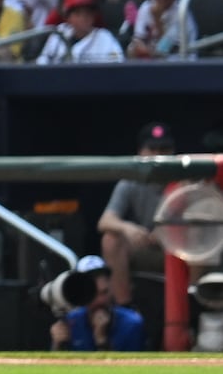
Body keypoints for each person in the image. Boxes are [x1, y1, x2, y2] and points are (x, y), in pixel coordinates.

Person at [98, 123, 175, 307]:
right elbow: (104, 221)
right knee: (111, 239)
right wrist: (128, 228)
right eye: (152, 149)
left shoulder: (184, 180)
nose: (158, 154)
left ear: (173, 152)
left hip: (176, 250)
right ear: (141, 152)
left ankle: (194, 306)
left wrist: (169, 231)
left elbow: (201, 224)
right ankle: (124, 310)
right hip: (144, 248)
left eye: (164, 149)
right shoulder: (131, 181)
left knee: (197, 239)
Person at [50, 254, 146, 352]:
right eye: (93, 294)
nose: (100, 300)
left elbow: (132, 365)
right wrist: (57, 345)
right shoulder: (71, 322)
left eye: (104, 292)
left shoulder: (131, 323)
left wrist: (101, 340)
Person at [36, 0, 123, 63]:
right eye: (78, 14)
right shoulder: (59, 33)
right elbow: (42, 62)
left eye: (88, 13)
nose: (83, 18)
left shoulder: (105, 38)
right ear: (68, 18)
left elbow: (117, 67)